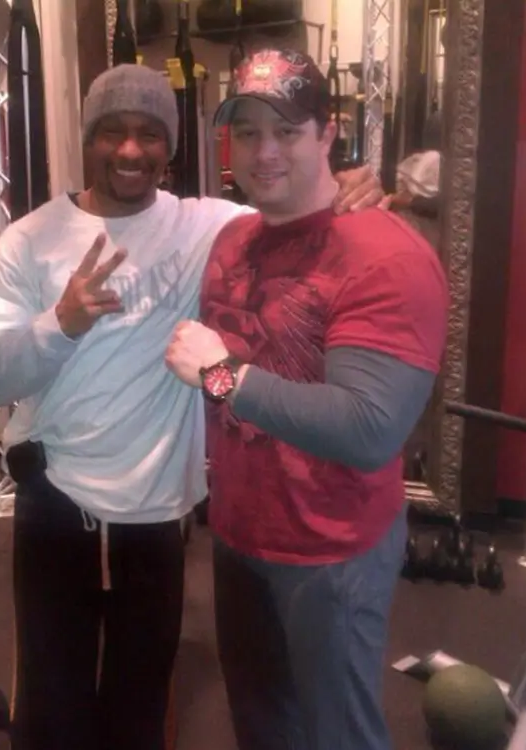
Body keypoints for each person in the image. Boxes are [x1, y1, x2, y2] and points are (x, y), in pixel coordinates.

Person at [0, 61, 385, 750]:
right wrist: (59, 323)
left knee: (141, 703)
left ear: (171, 146)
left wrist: (356, 183)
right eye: (114, 132)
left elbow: (295, 207)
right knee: (51, 709)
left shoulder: (205, 226)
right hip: (58, 508)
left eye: (149, 134)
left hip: (157, 517)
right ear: (89, 138)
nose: (131, 150)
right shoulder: (26, 244)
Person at [165, 49, 449, 750]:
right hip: (238, 536)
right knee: (262, 728)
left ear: (329, 134)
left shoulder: (387, 256)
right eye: (249, 131)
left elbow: (368, 427)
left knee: (336, 737)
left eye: (287, 131)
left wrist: (220, 376)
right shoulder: (232, 236)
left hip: (331, 553)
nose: (264, 152)